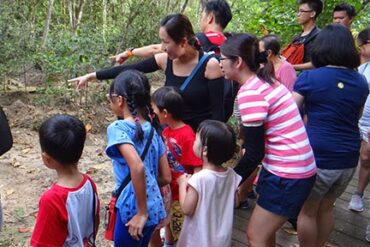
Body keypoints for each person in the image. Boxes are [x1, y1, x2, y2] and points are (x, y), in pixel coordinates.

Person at [220, 33, 316, 246]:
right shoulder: (266, 80)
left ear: (238, 62)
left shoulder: (251, 92)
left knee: (255, 235)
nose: (219, 64)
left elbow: (254, 152)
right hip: (293, 166)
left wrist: (228, 180)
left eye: (222, 59)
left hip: (288, 172)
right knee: (266, 233)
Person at [69, 13, 225, 131]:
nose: (162, 47)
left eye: (166, 42)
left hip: (195, 141)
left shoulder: (210, 66)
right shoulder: (165, 60)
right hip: (168, 136)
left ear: (183, 42)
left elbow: (218, 116)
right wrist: (92, 76)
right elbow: (129, 69)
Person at [293, 24, 368, 247]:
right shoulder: (361, 82)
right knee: (327, 207)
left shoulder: (309, 78)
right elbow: (357, 114)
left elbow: (291, 114)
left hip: (317, 156)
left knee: (307, 211)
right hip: (347, 158)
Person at [105, 70, 171, 246]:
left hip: (133, 210)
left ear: (120, 100)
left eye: (109, 97)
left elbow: (137, 167)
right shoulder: (153, 130)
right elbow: (166, 177)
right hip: (155, 207)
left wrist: (141, 212)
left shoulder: (117, 128)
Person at [30, 114, 99, 246]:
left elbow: (42, 244)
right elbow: (95, 222)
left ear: (46, 159)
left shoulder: (52, 200)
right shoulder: (89, 183)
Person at [177, 120, 241, 247]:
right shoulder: (231, 175)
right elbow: (236, 202)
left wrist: (182, 184)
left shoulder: (198, 179)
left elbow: (186, 209)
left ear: (205, 150)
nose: (194, 143)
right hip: (221, 239)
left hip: (198, 239)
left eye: (196, 140)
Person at [152, 86, 203, 247]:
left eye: (154, 110)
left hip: (180, 194)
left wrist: (193, 194)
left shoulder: (187, 135)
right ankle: (168, 241)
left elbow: (197, 168)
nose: (152, 114)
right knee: (168, 219)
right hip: (169, 190)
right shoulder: (166, 131)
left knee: (179, 226)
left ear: (165, 113)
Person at [349, 28, 370, 215]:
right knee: (360, 157)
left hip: (368, 122)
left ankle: (358, 193)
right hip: (355, 120)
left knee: (366, 157)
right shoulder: (356, 65)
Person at [283, 0, 323, 71]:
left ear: (312, 14)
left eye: (301, 11)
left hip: (308, 78)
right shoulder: (297, 37)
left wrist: (291, 67)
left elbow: (317, 63)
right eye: (298, 11)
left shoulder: (320, 36)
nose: (298, 14)